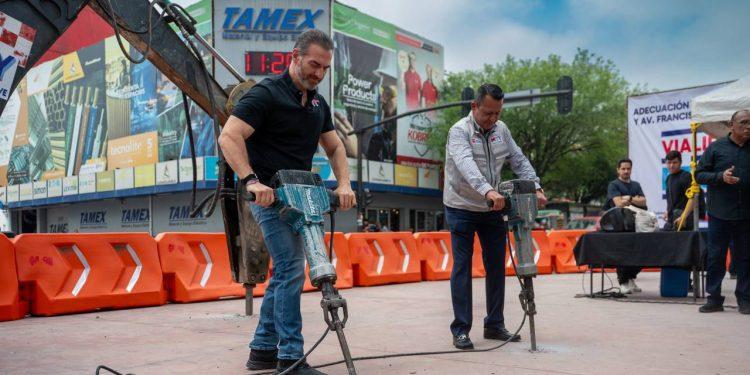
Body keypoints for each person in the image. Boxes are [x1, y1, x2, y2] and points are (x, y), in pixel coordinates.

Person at [218, 30, 356, 374]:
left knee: (285, 271)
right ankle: (290, 358)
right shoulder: (266, 94)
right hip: (270, 197)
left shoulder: (316, 103)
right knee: (292, 267)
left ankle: (263, 349)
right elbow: (229, 136)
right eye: (313, 64)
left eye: (325, 68)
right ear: (294, 56)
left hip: (302, 194)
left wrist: (343, 183)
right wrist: (252, 181)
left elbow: (335, 146)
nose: (319, 73)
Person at [443, 83, 547, 350]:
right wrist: (487, 190)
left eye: (497, 113)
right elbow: (466, 164)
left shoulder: (502, 131)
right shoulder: (459, 132)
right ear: (474, 106)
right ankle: (461, 329)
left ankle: (494, 324)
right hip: (461, 206)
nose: (492, 119)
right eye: (488, 113)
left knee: (496, 267)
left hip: (493, 208)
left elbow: (519, 160)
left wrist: (534, 185)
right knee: (463, 267)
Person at [695, 109, 750, 314]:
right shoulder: (716, 148)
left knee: (745, 257)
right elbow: (699, 175)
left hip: (746, 213)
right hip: (720, 212)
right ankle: (714, 299)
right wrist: (720, 177)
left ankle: (745, 299)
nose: (748, 127)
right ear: (731, 124)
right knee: (716, 256)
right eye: (744, 122)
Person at [603, 158, 647, 294]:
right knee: (623, 254)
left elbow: (644, 201)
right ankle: (623, 282)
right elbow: (618, 203)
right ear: (618, 170)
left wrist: (628, 198)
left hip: (635, 224)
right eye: (623, 169)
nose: (626, 171)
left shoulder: (636, 185)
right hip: (618, 226)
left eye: (628, 168)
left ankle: (631, 278)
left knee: (640, 252)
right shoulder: (613, 185)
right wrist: (633, 200)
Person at [663, 150, 704, 230]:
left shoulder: (686, 177)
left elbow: (693, 198)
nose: (671, 165)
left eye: (674, 162)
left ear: (680, 163)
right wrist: (668, 211)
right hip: (673, 220)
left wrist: (683, 217)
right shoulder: (668, 178)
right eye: (669, 163)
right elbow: (671, 200)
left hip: (685, 221)